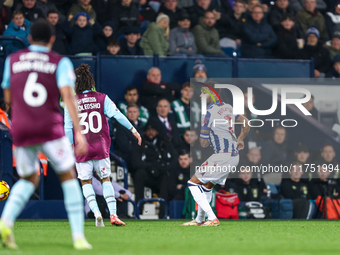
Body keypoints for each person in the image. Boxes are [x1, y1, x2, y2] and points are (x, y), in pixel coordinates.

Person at [0, 18, 91, 250]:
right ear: (52, 39)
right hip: (49, 127)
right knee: (69, 176)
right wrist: (79, 133)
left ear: (29, 38)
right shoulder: (59, 62)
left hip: (21, 128)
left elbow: (8, 99)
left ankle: (6, 220)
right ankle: (78, 236)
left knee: (29, 178)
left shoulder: (12, 60)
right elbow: (68, 97)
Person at [64, 64, 142, 227]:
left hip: (82, 147)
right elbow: (117, 115)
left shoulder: (71, 101)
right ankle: (113, 215)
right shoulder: (102, 98)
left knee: (86, 182)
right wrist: (133, 129)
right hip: (100, 146)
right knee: (105, 179)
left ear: (76, 85)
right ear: (91, 83)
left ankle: (97, 212)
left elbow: (68, 127)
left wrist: (71, 145)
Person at [181, 83, 250, 226]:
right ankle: (199, 219)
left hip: (223, 156)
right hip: (233, 156)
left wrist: (203, 131)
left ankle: (212, 218)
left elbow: (203, 143)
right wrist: (240, 139)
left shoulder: (208, 113)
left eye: (203, 93)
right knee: (206, 187)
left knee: (192, 183)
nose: (200, 96)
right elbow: (246, 121)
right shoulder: (228, 107)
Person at [131, 119, 178, 213]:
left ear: (157, 131)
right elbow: (135, 162)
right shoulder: (140, 142)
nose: (150, 132)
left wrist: (161, 167)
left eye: (153, 130)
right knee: (139, 174)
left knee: (166, 178)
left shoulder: (164, 142)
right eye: (148, 130)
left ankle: (163, 212)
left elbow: (174, 159)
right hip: (146, 174)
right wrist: (150, 167)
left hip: (160, 175)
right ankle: (138, 210)